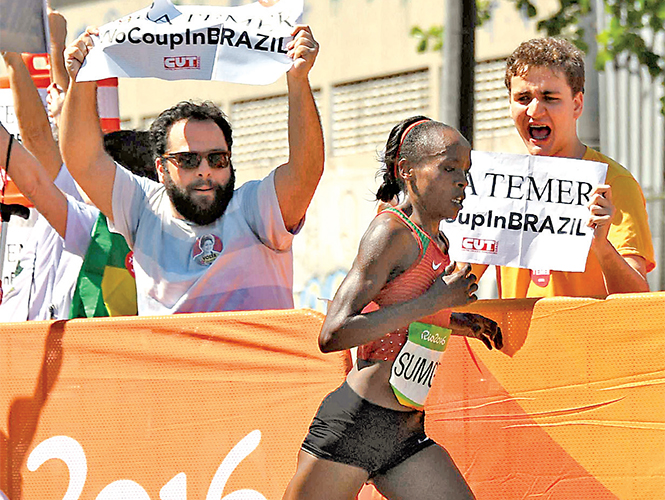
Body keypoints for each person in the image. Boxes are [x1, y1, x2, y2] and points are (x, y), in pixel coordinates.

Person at [282, 117, 502, 500]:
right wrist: (436, 301)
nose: (462, 183)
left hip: (403, 431)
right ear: (407, 171)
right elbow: (334, 332)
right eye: (449, 168)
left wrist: (460, 320)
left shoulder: (438, 242)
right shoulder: (391, 232)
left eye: (465, 172)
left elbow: (408, 316)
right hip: (356, 421)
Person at [60, 25, 324, 315]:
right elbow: (83, 161)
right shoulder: (142, 209)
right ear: (161, 168)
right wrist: (82, 79)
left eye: (217, 158)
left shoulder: (255, 210)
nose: (205, 170)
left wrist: (298, 79)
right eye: (187, 160)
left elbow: (305, 170)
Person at [477, 37, 655, 298]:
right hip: (518, 340)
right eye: (523, 98)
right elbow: (457, 283)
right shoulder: (499, 187)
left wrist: (602, 247)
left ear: (577, 104)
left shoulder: (613, 183)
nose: (535, 111)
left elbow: (636, 301)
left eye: (550, 97)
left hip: (585, 339)